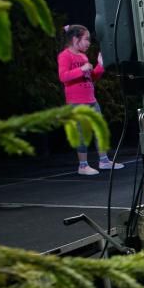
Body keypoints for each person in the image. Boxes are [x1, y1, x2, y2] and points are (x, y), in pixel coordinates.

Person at [56, 24, 124, 176]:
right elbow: (63, 77)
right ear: (75, 39)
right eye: (86, 39)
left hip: (91, 100)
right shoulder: (65, 55)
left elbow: (91, 78)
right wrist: (81, 69)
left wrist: (100, 66)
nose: (88, 43)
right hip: (76, 102)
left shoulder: (83, 56)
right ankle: (83, 165)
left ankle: (104, 161)